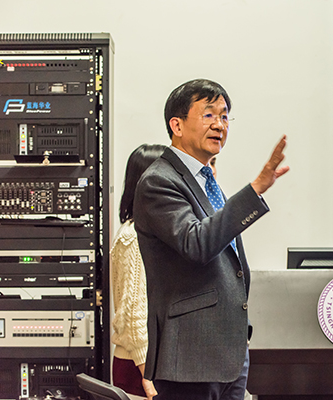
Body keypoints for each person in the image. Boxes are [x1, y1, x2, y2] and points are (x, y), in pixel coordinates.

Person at [133, 79, 289, 400]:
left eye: (225, 116)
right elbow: (196, 244)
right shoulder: (159, 181)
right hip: (190, 356)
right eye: (208, 115)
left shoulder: (205, 179)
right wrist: (255, 190)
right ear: (177, 125)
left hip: (228, 353)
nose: (220, 125)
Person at [110, 144, 167, 400]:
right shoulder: (134, 237)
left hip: (152, 366)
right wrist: (148, 376)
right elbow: (133, 315)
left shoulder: (150, 230)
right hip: (140, 369)